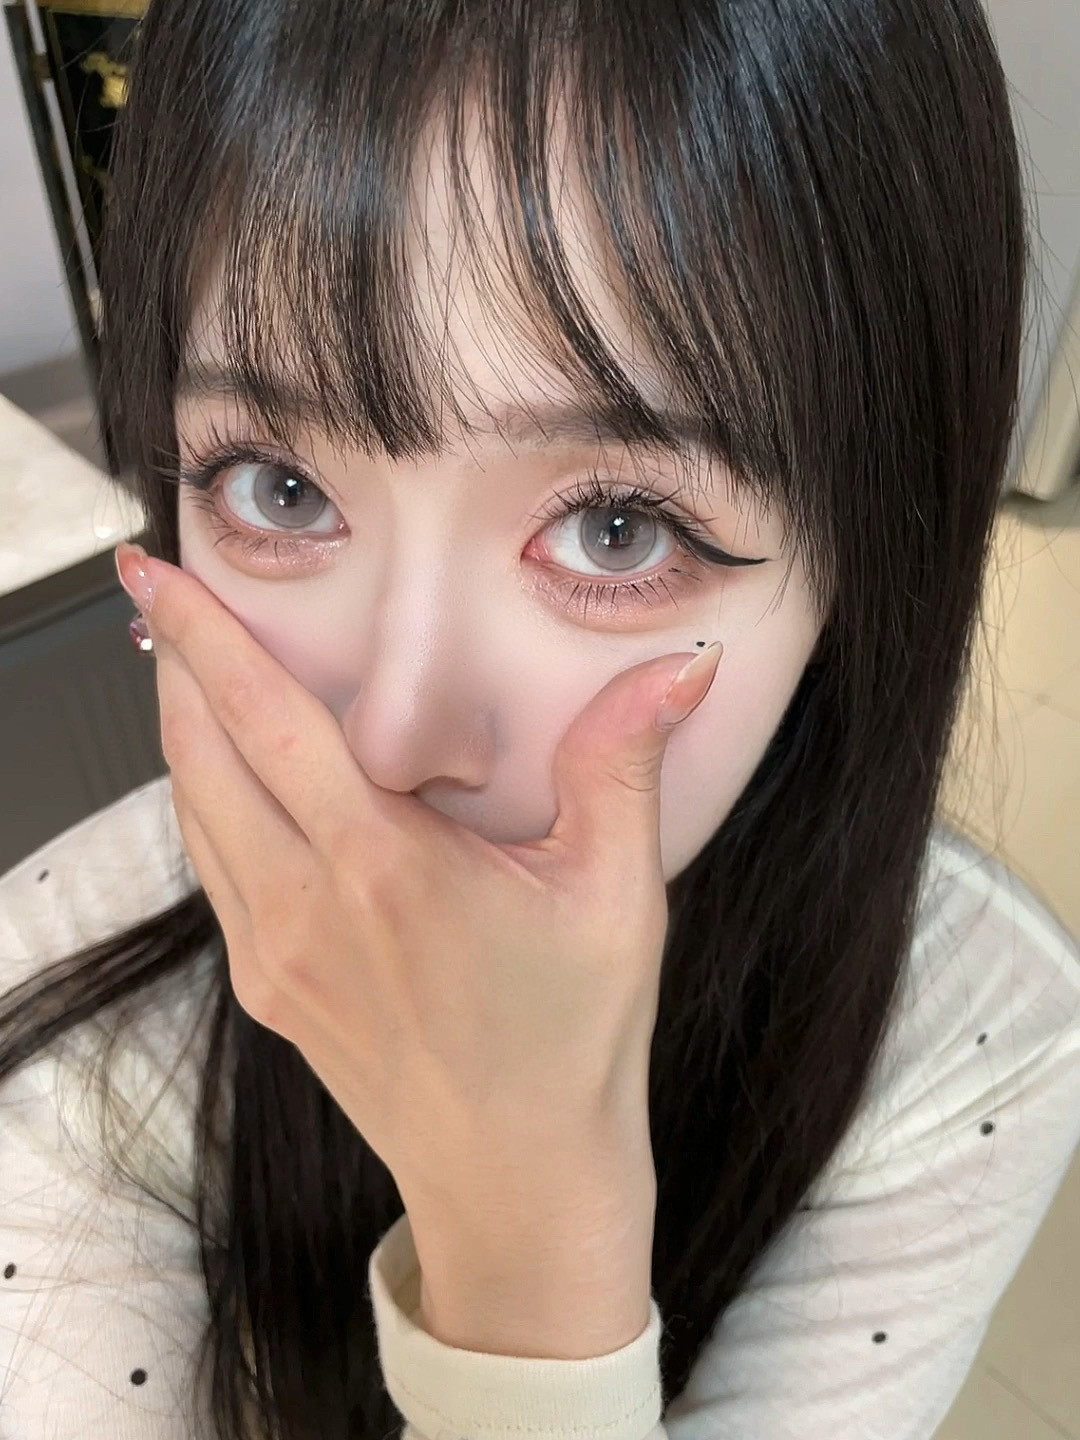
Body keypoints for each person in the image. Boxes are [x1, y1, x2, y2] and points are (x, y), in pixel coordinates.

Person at [2, 0, 1079, 1437]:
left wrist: (526, 1245)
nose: (391, 741)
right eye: (278, 487)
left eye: (619, 528)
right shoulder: (56, 996)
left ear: (865, 567)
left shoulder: (972, 1019)